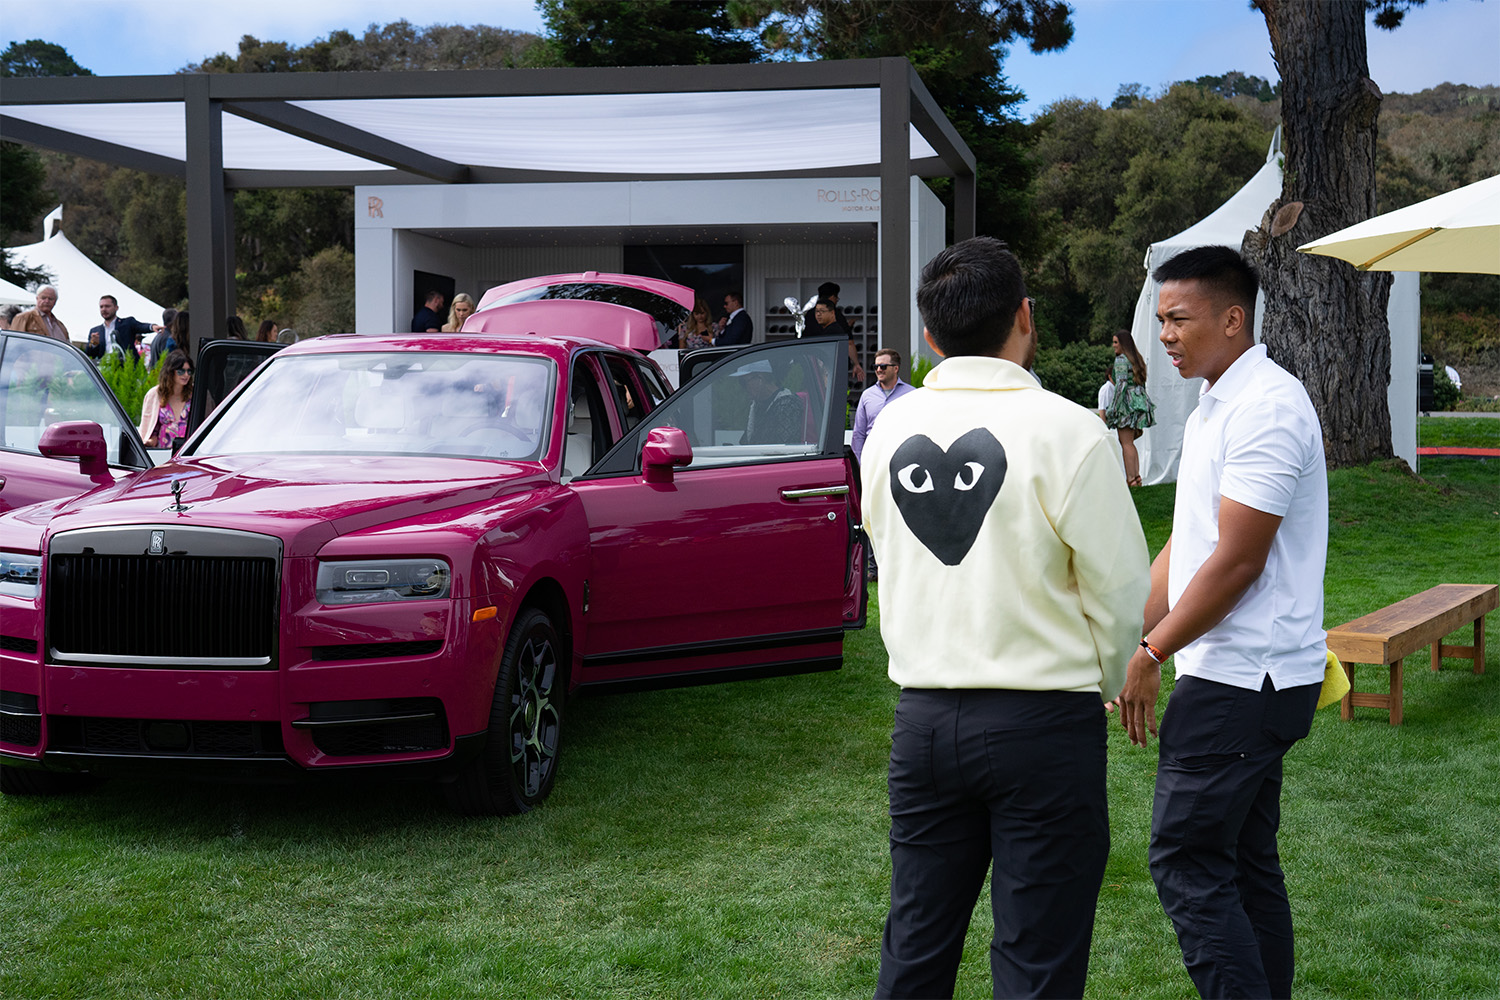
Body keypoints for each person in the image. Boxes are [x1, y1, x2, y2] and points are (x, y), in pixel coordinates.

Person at [861, 236, 1150, 999]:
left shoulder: (886, 428)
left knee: (916, 944)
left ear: (928, 336)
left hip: (922, 721)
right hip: (1045, 725)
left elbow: (888, 554)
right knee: (1037, 960)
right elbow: (1121, 589)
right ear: (1026, 316)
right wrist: (1118, 676)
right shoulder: (1069, 429)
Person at [1111, 245, 1328, 1000]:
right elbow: (1190, 543)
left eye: (1179, 318)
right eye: (1160, 319)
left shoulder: (1266, 407)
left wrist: (1152, 650)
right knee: (1240, 861)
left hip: (1245, 680)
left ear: (1233, 320)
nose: (1164, 334)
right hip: (1242, 676)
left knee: (1186, 861)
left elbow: (1237, 563)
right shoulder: (1216, 403)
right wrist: (1124, 636)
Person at [1104, 327, 1156, 485]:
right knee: (1130, 443)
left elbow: (1120, 386)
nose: (1113, 345)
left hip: (1126, 404)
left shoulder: (1120, 360)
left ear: (1123, 344)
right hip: (1138, 403)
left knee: (1125, 443)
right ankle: (1137, 477)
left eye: (1115, 342)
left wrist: (1114, 408)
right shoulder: (1136, 359)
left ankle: (1131, 479)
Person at [850, 347, 914, 464]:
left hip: (902, 459)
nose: (879, 370)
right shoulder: (867, 395)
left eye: (883, 366)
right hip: (873, 459)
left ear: (895, 368)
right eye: (876, 367)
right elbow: (858, 433)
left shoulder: (911, 394)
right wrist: (859, 463)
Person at [733, 358, 802, 445]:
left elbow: (785, 446)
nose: (743, 388)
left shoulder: (787, 405)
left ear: (760, 378)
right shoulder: (756, 406)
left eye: (743, 382)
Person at [138, 349, 194, 449]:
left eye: (189, 371)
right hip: (163, 453)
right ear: (170, 371)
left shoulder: (195, 394)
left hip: (189, 452)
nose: (186, 375)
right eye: (181, 371)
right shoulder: (154, 395)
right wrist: (150, 441)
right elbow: (148, 428)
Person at [90, 295, 158, 364]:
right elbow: (90, 354)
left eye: (107, 306)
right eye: (101, 307)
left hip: (127, 368)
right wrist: (94, 343)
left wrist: (152, 327)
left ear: (116, 308)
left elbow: (141, 326)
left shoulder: (127, 323)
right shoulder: (95, 331)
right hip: (105, 369)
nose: (104, 309)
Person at [813, 297, 866, 384]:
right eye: (817, 311)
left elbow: (849, 344)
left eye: (822, 311)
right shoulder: (829, 329)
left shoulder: (833, 331)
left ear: (832, 313)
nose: (818, 314)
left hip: (831, 375)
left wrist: (856, 363)